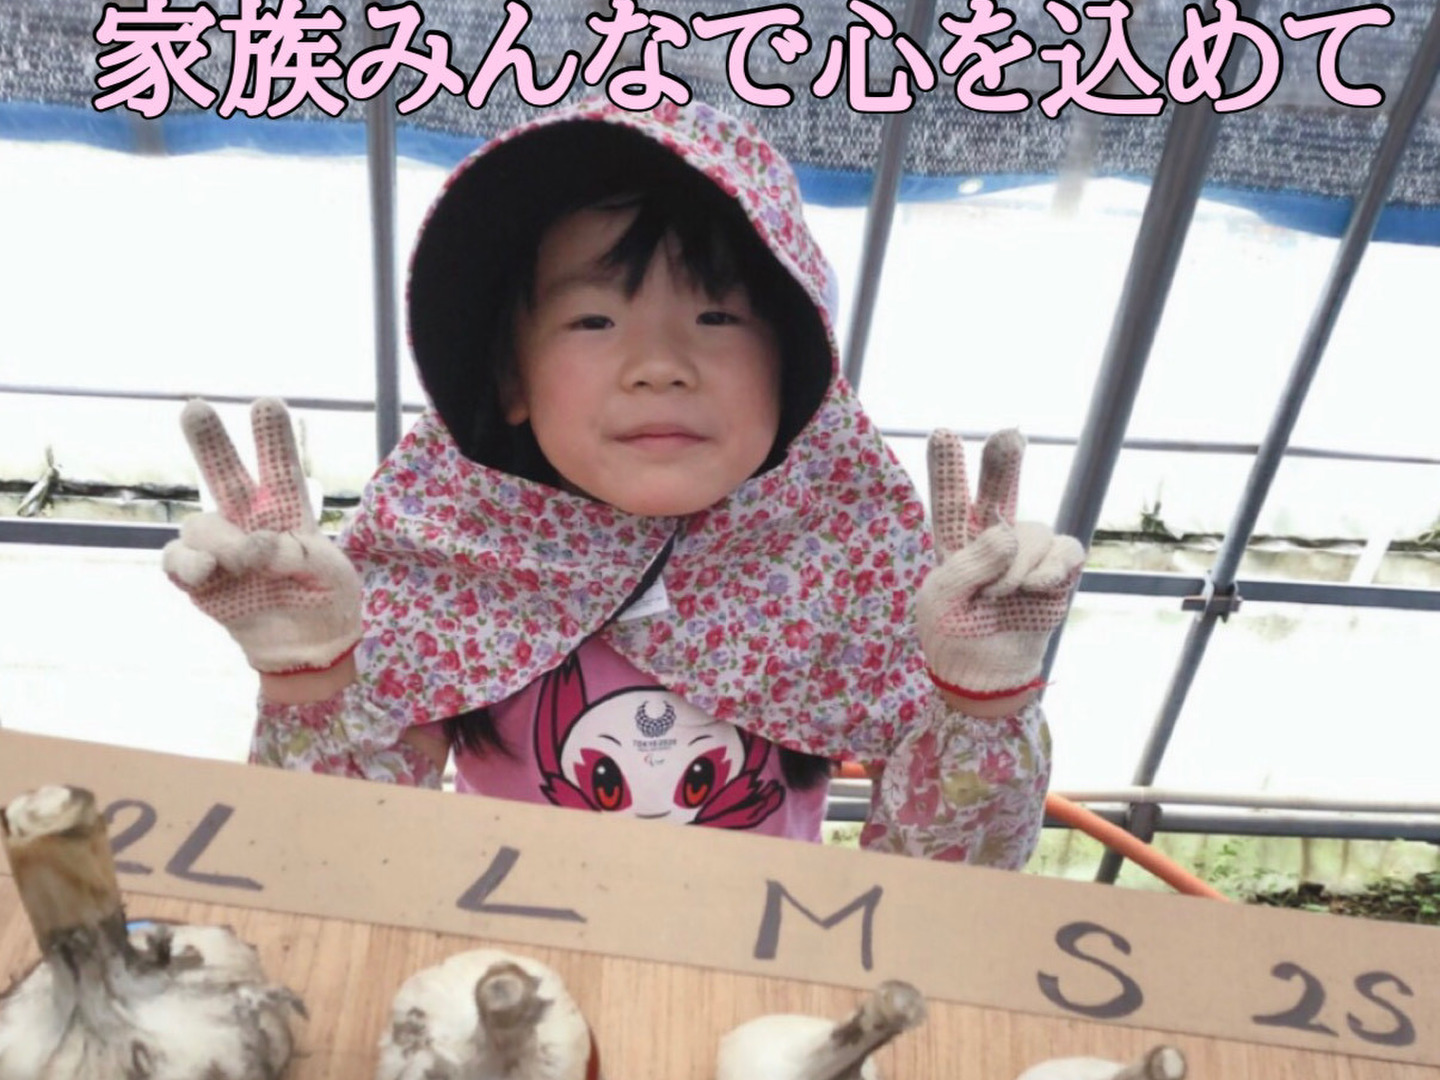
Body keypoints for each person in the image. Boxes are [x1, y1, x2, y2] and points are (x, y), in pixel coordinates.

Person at [162, 98, 1084, 868]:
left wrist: (984, 703)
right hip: (503, 982)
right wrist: (311, 679)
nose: (659, 365)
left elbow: (943, 893)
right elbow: (340, 859)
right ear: (511, 379)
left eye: (718, 315)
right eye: (594, 320)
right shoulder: (451, 566)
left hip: (755, 988)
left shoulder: (844, 569)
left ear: (797, 370)